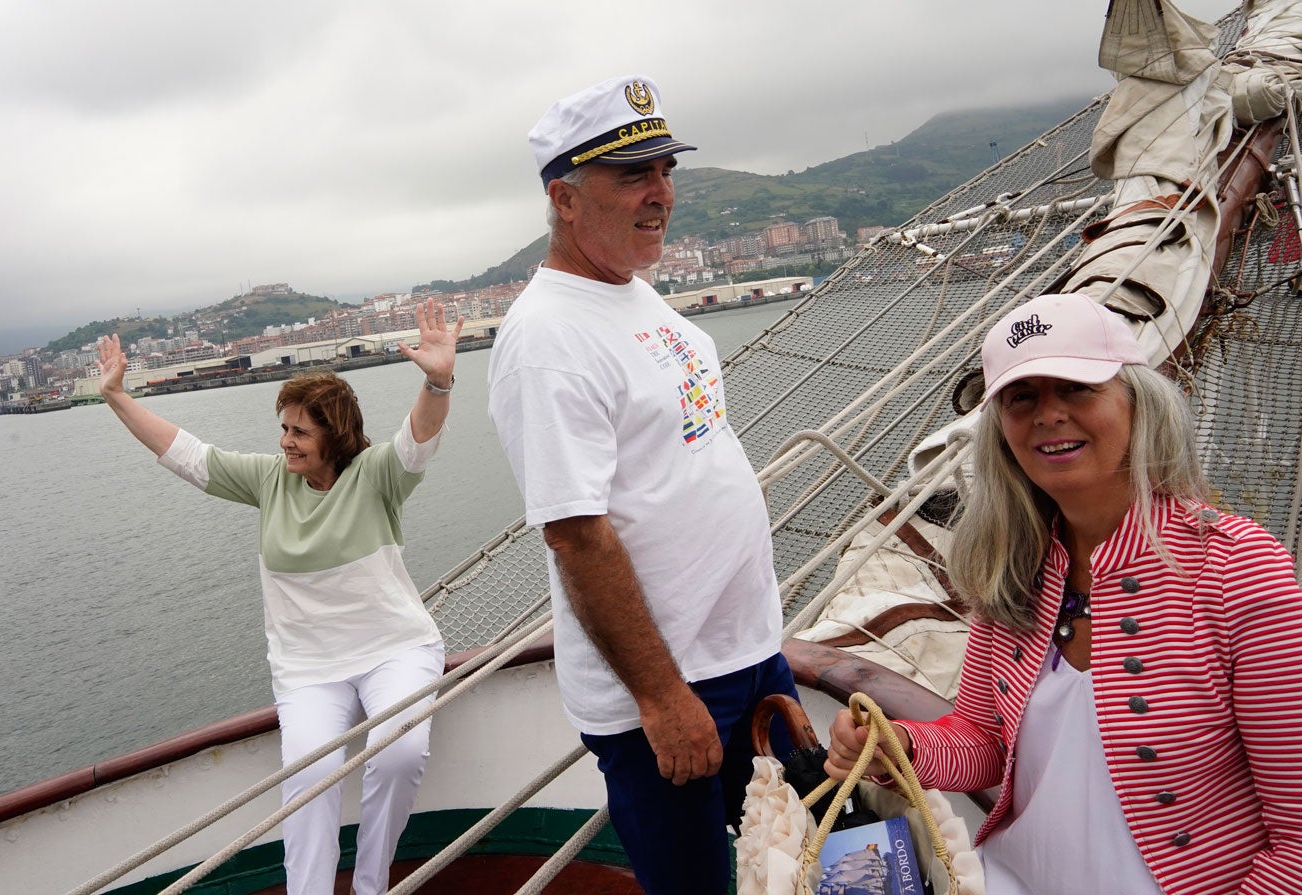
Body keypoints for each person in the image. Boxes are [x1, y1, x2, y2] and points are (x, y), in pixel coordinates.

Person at [824, 292, 1302, 895]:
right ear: (1000, 432)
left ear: (1139, 402)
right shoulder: (1015, 565)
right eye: (1023, 398)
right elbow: (984, 743)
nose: (1049, 415)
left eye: (1077, 388)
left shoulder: (1235, 569)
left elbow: (1296, 836)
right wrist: (898, 748)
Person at [486, 74, 796, 895]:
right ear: (564, 197)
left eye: (665, 170)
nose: (661, 193)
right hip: (668, 688)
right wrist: (662, 698)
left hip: (747, 656)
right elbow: (576, 534)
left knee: (798, 863)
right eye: (634, 175)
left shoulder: (634, 293)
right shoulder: (550, 336)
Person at [96, 300, 463, 895]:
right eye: (284, 429)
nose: (286, 442)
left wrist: (438, 379)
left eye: (300, 431)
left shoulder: (375, 476)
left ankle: (371, 886)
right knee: (310, 775)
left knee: (398, 752)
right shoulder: (271, 480)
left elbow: (417, 439)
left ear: (333, 435)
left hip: (394, 649)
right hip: (309, 669)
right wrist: (117, 396)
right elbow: (185, 453)